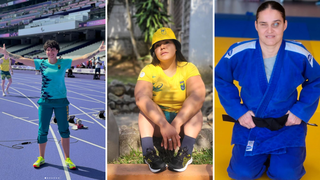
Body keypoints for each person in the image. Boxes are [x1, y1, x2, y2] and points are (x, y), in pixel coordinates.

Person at [215, 1, 320, 179]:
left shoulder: (299, 53)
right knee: (242, 173)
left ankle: (280, 159)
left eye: (276, 24)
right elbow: (221, 78)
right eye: (263, 24)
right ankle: (267, 157)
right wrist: (238, 112)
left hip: (287, 125)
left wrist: (299, 111)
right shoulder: (240, 52)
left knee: (286, 174)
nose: (269, 31)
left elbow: (316, 79)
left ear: (285, 24)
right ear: (256, 25)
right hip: (252, 124)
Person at [0, 40, 105, 169]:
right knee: (42, 131)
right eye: (48, 50)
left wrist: (98, 51)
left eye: (53, 49)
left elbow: (83, 58)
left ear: (57, 51)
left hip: (61, 102)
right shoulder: (41, 63)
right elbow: (22, 59)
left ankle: (68, 159)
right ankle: (41, 158)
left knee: (64, 131)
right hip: (45, 102)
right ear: (46, 52)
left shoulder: (64, 62)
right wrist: (7, 53)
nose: (50, 52)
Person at [135, 27, 205, 173]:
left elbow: (198, 95)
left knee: (197, 113)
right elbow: (141, 97)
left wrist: (177, 122)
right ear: (154, 51)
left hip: (182, 121)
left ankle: (185, 152)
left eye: (167, 42)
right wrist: (163, 124)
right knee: (143, 115)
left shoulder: (189, 68)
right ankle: (148, 153)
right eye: (158, 45)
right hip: (159, 121)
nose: (162, 47)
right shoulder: (149, 70)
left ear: (176, 47)